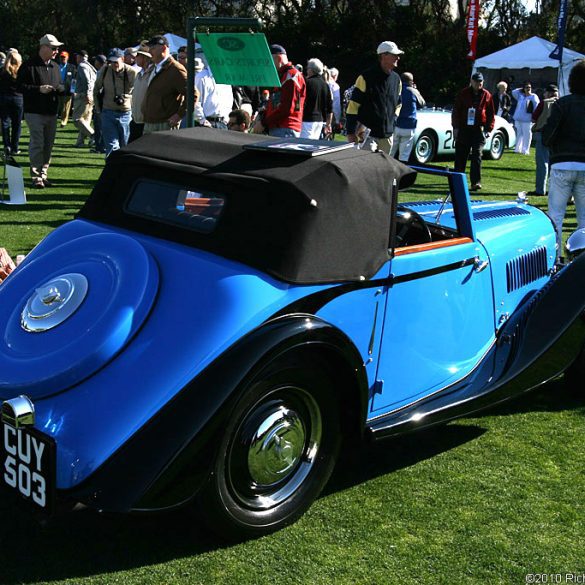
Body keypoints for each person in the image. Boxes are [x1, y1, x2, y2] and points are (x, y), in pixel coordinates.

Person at [542, 60, 585, 256]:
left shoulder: (562, 104)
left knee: (555, 217)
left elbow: (548, 137)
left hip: (562, 165)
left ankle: (555, 260)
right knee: (584, 219)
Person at [17, 33, 65, 188]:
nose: (56, 51)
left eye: (57, 48)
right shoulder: (29, 66)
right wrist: (39, 89)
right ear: (43, 47)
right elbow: (19, 87)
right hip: (34, 111)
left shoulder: (55, 67)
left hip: (51, 112)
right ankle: (36, 176)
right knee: (37, 143)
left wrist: (61, 89)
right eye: (53, 48)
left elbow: (60, 85)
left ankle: (43, 174)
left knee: (48, 145)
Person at [346, 41, 403, 154]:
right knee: (365, 170)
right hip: (367, 136)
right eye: (394, 55)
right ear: (383, 55)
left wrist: (392, 122)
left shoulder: (397, 80)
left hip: (387, 137)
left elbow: (398, 104)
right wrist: (351, 132)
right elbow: (353, 106)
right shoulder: (365, 77)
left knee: (384, 170)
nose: (398, 58)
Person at [451, 72, 495, 191]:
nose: (478, 84)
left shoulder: (487, 95)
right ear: (471, 81)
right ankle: (457, 180)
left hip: (478, 130)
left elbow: (491, 113)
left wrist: (488, 129)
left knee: (477, 155)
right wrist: (455, 128)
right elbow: (456, 112)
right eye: (476, 82)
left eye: (480, 82)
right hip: (464, 128)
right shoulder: (463, 94)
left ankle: (475, 182)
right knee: (461, 156)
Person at [252, 44, 306, 137]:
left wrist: (264, 123)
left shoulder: (291, 76)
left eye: (269, 61)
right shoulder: (285, 75)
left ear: (279, 59)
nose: (268, 66)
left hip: (285, 128)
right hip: (281, 127)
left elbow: (286, 108)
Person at [93, 48, 136, 156]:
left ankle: (124, 170)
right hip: (108, 112)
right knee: (111, 145)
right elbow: (96, 89)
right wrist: (98, 109)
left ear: (122, 59)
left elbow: (138, 91)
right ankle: (112, 170)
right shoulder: (105, 70)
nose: (113, 64)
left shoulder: (132, 72)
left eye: (116, 62)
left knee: (125, 146)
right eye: (111, 62)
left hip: (126, 113)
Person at [142, 35, 187, 134]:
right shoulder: (154, 67)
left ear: (164, 48)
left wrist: (179, 115)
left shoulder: (175, 69)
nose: (149, 52)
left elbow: (193, 94)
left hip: (165, 125)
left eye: (153, 48)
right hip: (150, 123)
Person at [530, 83, 559, 196]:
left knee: (542, 163)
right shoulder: (562, 103)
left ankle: (540, 189)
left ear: (548, 93)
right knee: (555, 165)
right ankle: (554, 190)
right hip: (557, 137)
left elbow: (533, 118)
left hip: (543, 134)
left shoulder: (544, 103)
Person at [390, 71, 425, 162]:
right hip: (409, 125)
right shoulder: (413, 91)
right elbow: (422, 104)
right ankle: (401, 173)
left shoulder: (396, 89)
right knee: (404, 154)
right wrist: (416, 91)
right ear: (411, 81)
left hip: (395, 124)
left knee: (390, 152)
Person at [193, 53, 233, 129]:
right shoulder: (201, 77)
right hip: (205, 124)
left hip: (222, 124)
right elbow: (196, 101)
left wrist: (226, 119)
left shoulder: (225, 78)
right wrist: (202, 120)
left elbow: (229, 101)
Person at [300, 58, 332, 139]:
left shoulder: (307, 82)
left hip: (307, 120)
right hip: (320, 121)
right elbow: (330, 108)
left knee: (303, 145)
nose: (307, 71)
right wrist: (328, 124)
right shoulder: (325, 85)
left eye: (307, 69)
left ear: (311, 70)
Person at [0, 49, 24, 157]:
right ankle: (15, 147)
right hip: (18, 99)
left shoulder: (3, 71)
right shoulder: (21, 71)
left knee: (5, 123)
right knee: (17, 124)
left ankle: (7, 145)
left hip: (4, 98)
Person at [72, 50, 96, 148]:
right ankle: (80, 142)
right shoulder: (91, 67)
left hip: (83, 96)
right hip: (90, 96)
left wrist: (87, 93)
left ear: (81, 57)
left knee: (77, 119)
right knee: (85, 120)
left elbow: (87, 81)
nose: (76, 58)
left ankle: (93, 135)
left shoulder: (82, 66)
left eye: (77, 56)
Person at [129, 44, 152, 142]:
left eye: (138, 55)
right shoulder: (139, 74)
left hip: (146, 122)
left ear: (145, 57)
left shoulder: (153, 73)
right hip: (136, 120)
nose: (135, 57)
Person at [512, 81, 539, 155]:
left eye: (529, 87)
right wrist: (521, 89)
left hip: (527, 119)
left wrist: (535, 117)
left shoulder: (533, 96)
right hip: (518, 118)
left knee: (527, 135)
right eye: (526, 87)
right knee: (519, 134)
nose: (528, 89)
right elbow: (513, 92)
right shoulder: (521, 96)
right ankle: (517, 149)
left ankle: (525, 150)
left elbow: (536, 107)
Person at [57, 50, 76, 126]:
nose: (62, 59)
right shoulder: (56, 66)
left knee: (66, 107)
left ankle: (64, 121)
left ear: (67, 58)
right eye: (61, 57)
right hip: (58, 89)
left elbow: (74, 80)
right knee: (59, 106)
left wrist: (73, 90)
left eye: (64, 57)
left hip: (68, 90)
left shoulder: (72, 67)